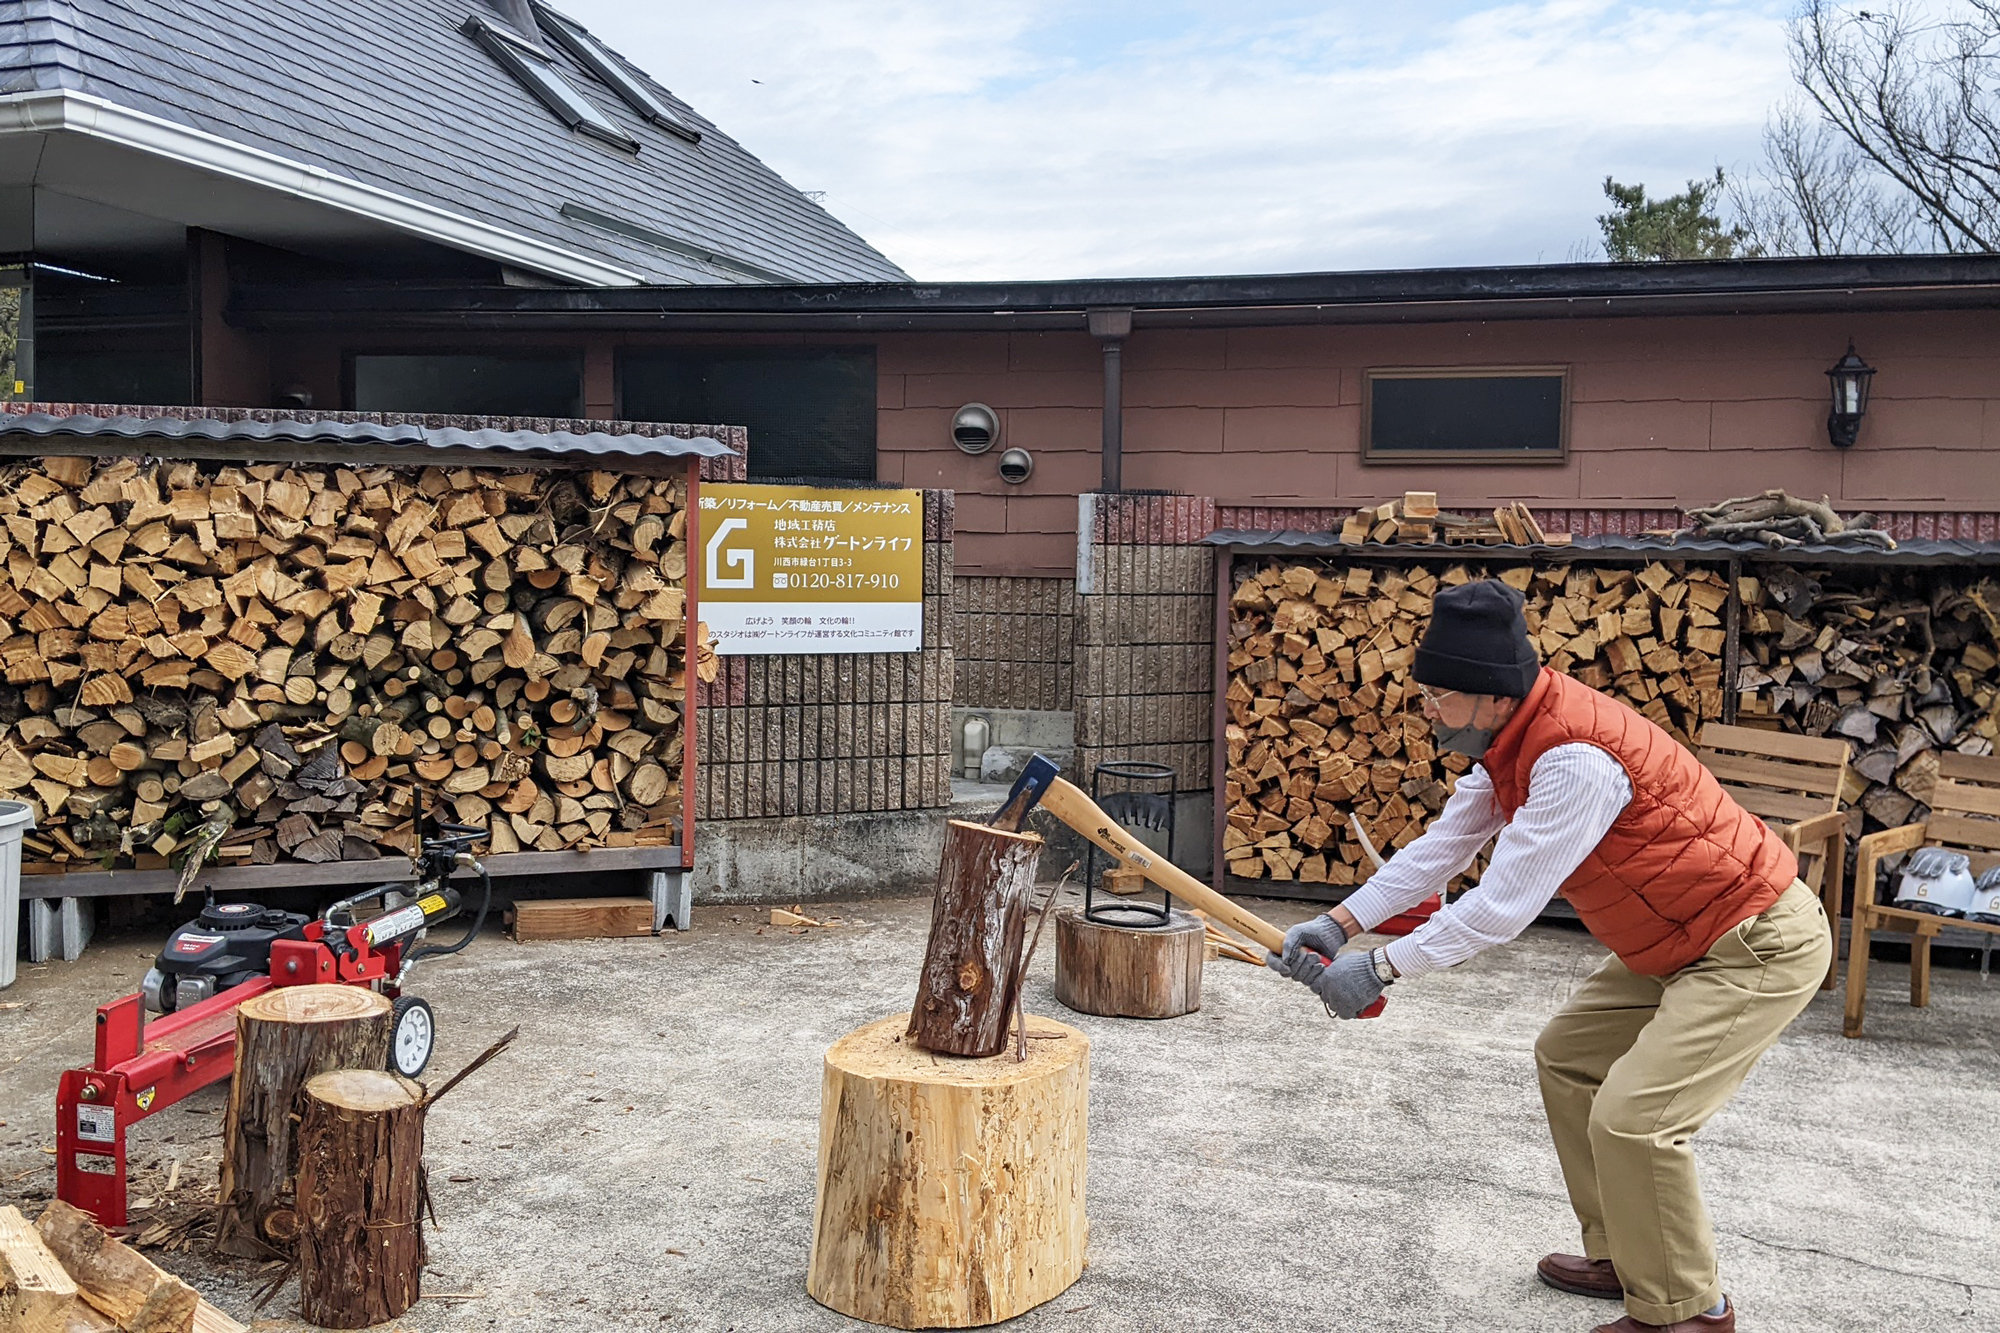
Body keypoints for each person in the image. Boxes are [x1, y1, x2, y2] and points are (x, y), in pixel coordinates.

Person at [1267, 579, 1831, 1333]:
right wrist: (1340, 924)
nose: (1427, 709)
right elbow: (1443, 848)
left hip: (1752, 941)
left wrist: (1379, 967)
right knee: (1567, 1057)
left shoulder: (1573, 759)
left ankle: (1691, 1312)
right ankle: (1629, 1255)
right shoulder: (1507, 742)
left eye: (1439, 695)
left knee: (1636, 1118)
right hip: (1674, 937)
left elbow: (1500, 906)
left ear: (1491, 692)